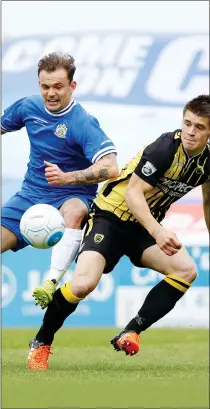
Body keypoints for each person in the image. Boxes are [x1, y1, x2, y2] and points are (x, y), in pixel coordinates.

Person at [27, 94, 210, 370]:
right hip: (109, 217)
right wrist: (158, 232)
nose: (190, 132)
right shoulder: (165, 148)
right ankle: (41, 342)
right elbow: (134, 193)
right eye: (187, 123)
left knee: (186, 270)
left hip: (143, 225)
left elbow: (208, 201)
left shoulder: (206, 162)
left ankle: (131, 331)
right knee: (83, 284)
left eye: (199, 127)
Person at [1, 52, 118, 309]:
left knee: (75, 211)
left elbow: (111, 167)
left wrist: (67, 178)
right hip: (30, 195)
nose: (51, 93)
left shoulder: (83, 123)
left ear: (71, 86)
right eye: (45, 86)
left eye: (58, 86)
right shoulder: (28, 107)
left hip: (71, 195)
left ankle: (50, 281)